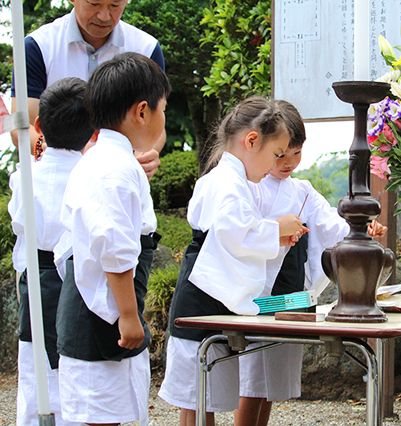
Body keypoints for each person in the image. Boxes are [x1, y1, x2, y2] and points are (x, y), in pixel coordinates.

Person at [235, 100, 387, 426]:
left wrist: (360, 228)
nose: (289, 162)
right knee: (251, 381)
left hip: (291, 295)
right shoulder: (249, 187)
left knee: (270, 383)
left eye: (296, 153)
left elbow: (331, 223)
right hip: (257, 294)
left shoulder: (302, 191)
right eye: (280, 154)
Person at [158, 97, 308, 426]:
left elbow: (238, 235)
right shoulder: (226, 182)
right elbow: (232, 232)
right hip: (200, 301)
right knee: (198, 398)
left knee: (204, 396)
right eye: (276, 154)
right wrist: (275, 229)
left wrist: (273, 235)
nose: (275, 165)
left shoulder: (231, 180)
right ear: (252, 141)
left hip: (211, 299)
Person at [55, 52, 170, 426]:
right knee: (101, 417)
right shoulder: (113, 169)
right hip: (102, 313)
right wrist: (128, 315)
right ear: (141, 112)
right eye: (162, 109)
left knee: (109, 414)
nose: (163, 118)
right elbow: (116, 249)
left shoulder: (103, 160)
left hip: (100, 304)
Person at [8, 77, 96, 426]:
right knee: (76, 369)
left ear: (39, 125)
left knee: (36, 369)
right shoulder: (91, 174)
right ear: (94, 132)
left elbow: (20, 224)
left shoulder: (25, 175)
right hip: (80, 283)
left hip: (37, 280)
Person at [10, 0, 166, 179]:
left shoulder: (147, 48)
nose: (104, 16)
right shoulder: (37, 46)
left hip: (119, 179)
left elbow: (156, 120)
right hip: (51, 183)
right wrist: (46, 148)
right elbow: (20, 125)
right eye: (94, 4)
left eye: (115, 6)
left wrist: (147, 154)